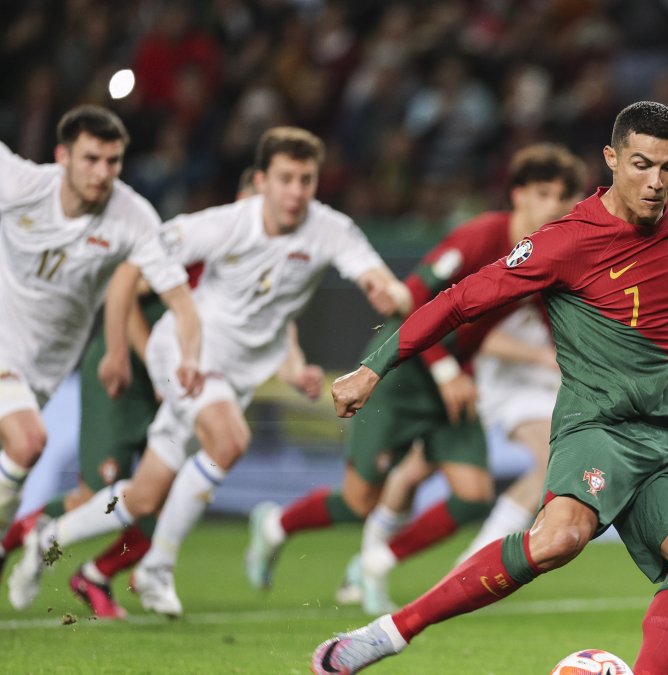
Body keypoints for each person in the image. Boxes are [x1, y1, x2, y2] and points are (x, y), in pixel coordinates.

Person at [309, 101, 668, 674]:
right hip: (595, 427)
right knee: (560, 538)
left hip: (662, 435)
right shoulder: (565, 241)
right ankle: (389, 633)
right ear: (612, 160)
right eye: (642, 164)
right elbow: (461, 299)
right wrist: (373, 368)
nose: (657, 182)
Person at [7, 126, 408, 617]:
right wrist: (116, 348)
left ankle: (50, 536)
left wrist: (385, 291)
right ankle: (156, 568)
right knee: (230, 440)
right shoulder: (225, 224)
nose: (297, 191)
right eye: (286, 178)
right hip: (182, 355)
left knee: (145, 495)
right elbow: (136, 262)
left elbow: (371, 277)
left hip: (233, 378)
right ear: (261, 180)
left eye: (307, 179)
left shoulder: (331, 230)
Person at [244, 144, 584, 611]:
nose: (556, 206)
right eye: (545, 193)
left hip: (454, 380)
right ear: (518, 195)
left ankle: (376, 563)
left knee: (473, 495)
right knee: (359, 501)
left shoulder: (546, 255)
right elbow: (414, 300)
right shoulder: (479, 237)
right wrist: (446, 370)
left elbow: (553, 319)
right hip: (401, 370)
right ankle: (274, 525)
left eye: (565, 197)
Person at [0, 169, 274, 620]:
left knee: (158, 496)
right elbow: (123, 293)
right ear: (242, 199)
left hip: (165, 385)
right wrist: (152, 364)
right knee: (98, 492)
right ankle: (15, 541)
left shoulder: (259, 267)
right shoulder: (197, 245)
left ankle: (96, 574)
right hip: (122, 374)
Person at [0, 105, 202, 553]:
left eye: (112, 162)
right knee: (28, 440)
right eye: (91, 159)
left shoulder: (133, 217)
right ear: (63, 157)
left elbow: (181, 303)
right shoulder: (20, 184)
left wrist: (183, 361)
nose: (102, 172)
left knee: (18, 452)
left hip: (44, 371)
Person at [335, 301, 561, 613]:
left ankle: (373, 563)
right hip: (483, 387)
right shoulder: (510, 267)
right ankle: (464, 565)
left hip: (526, 387)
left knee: (416, 475)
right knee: (399, 480)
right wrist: (540, 356)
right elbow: (473, 329)